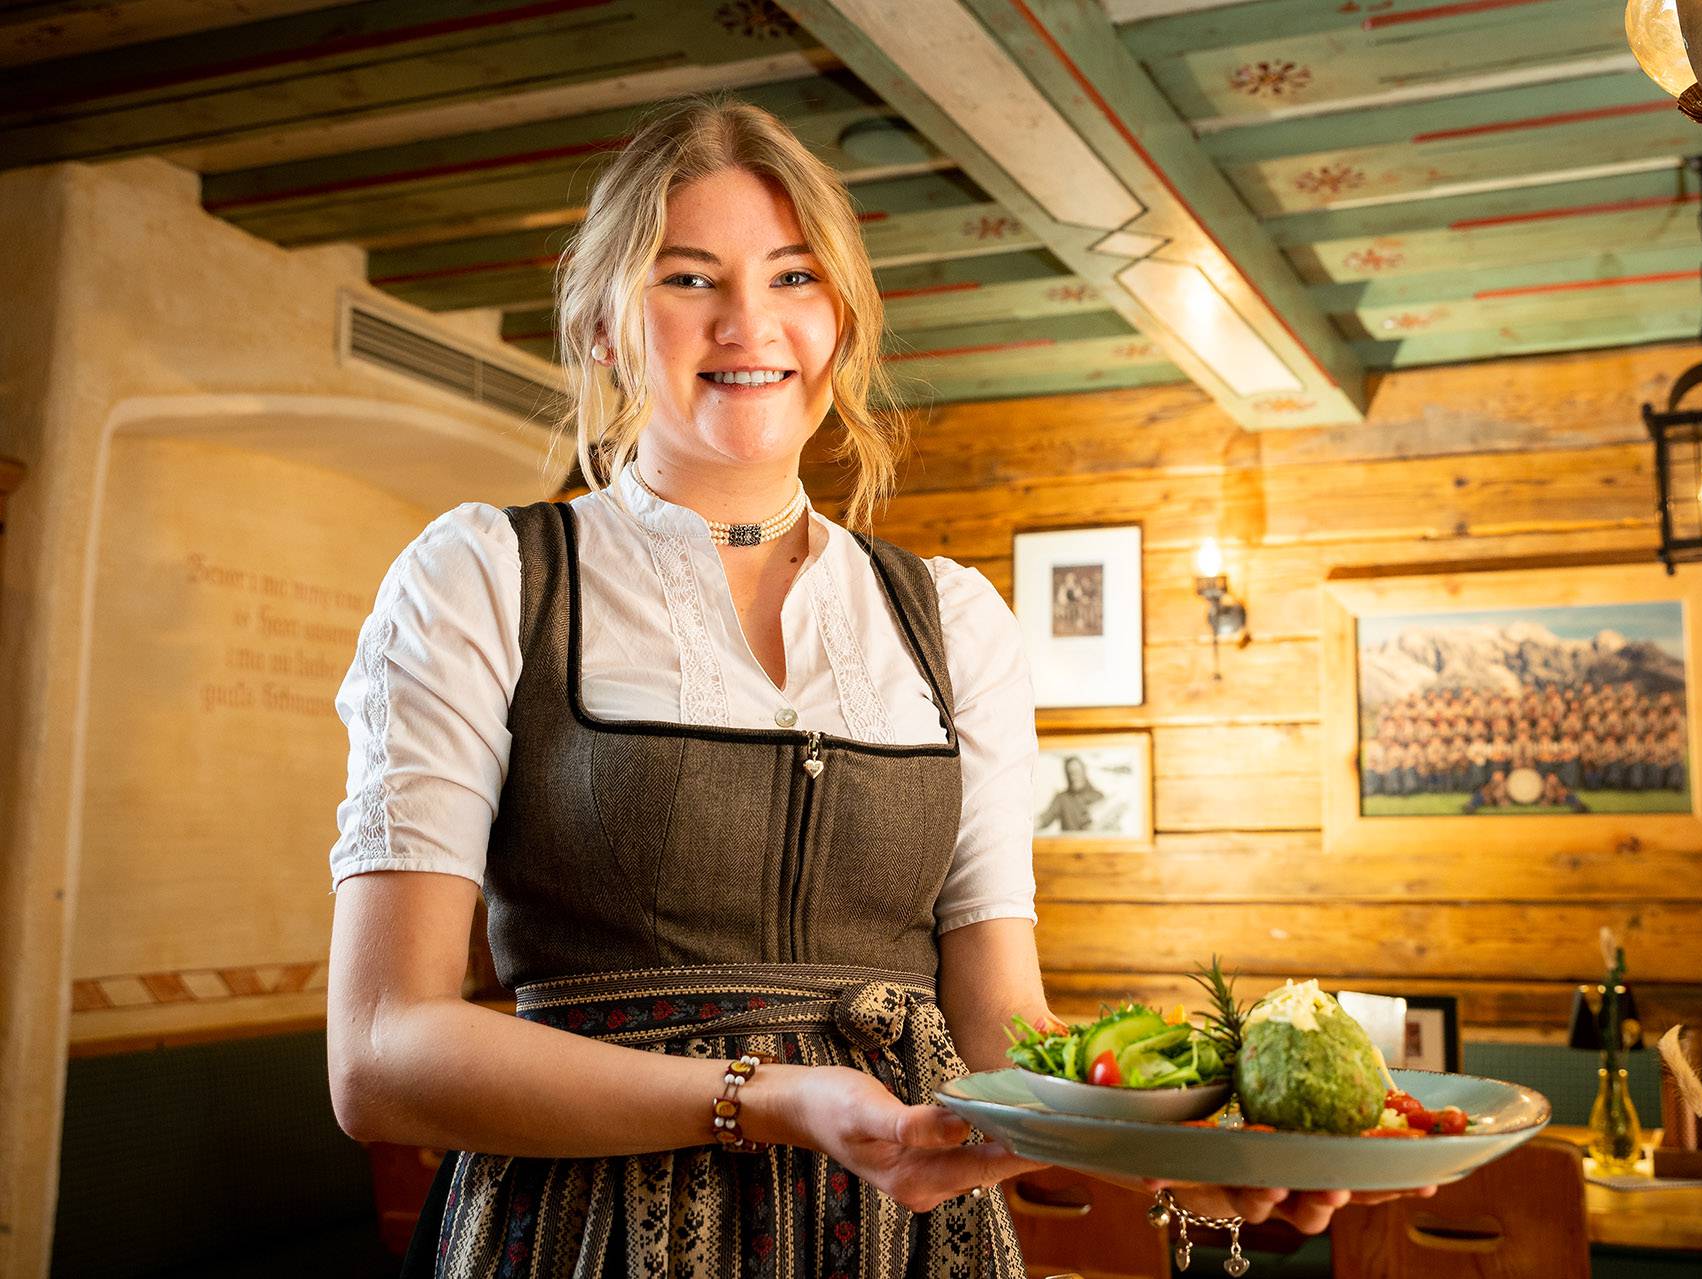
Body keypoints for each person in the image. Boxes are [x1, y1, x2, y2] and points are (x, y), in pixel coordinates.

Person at [323, 95, 1411, 1278]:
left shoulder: (953, 620)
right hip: (583, 1236)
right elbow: (381, 1055)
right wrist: (770, 1098)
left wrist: (1191, 1142)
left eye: (794, 278)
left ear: (839, 319)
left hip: (910, 1233)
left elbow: (1002, 1027)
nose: (749, 322)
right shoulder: (486, 574)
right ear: (600, 323)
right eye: (689, 278)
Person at [1034, 755, 1104, 832]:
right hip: (1068, 844)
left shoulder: (1098, 797)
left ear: (1084, 772)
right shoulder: (1061, 798)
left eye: (1077, 771)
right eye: (1070, 773)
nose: (1074, 777)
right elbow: (1044, 819)